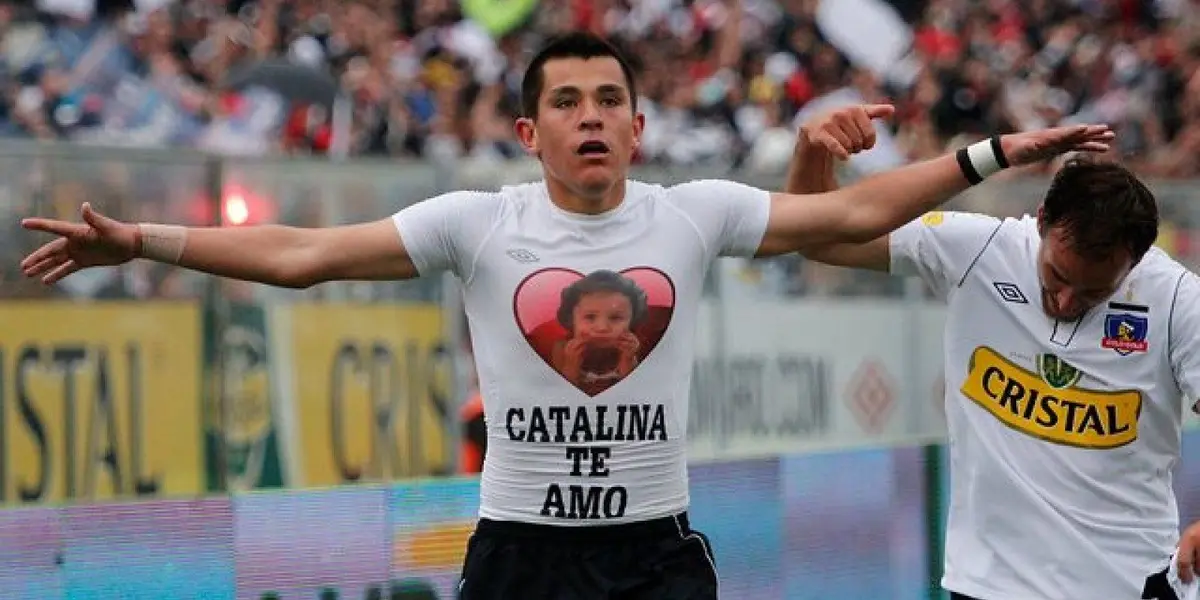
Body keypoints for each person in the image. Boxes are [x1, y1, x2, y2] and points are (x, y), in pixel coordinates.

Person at [19, 32, 1113, 600]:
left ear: (638, 130)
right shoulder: (476, 223)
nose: (589, 120)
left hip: (654, 558)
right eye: (566, 104)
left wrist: (992, 156)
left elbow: (862, 207)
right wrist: (145, 238)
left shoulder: (694, 214)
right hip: (520, 559)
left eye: (607, 104)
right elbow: (304, 253)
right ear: (529, 129)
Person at [786, 108, 1200, 600]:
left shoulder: (1176, 299)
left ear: (1134, 262)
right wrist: (812, 150)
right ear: (1043, 221)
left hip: (1128, 585)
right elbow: (813, 236)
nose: (1066, 303)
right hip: (987, 588)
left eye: (1093, 292)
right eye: (1058, 276)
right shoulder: (978, 251)